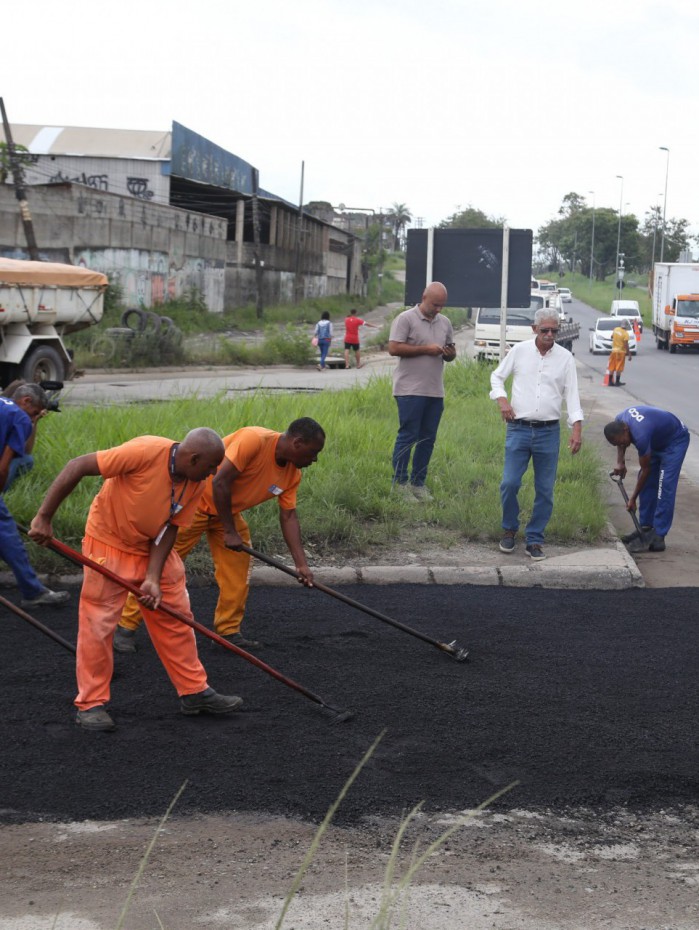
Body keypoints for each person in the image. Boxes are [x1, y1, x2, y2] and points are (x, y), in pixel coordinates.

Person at [28, 428, 244, 732]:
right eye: (210, 467)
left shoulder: (195, 481)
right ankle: (90, 704)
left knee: (176, 614)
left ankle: (194, 692)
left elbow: (171, 527)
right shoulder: (144, 451)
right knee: (99, 623)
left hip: (152, 547)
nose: (213, 474)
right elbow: (78, 465)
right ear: (194, 458)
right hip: (110, 541)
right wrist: (44, 517)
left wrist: (153, 578)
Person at [114, 418, 326, 653]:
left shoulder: (292, 476)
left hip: (227, 514)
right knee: (161, 565)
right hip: (192, 506)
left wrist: (301, 565)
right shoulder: (254, 440)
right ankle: (125, 626)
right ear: (297, 443)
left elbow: (288, 517)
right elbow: (220, 481)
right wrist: (230, 531)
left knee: (237, 570)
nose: (315, 459)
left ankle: (228, 631)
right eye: (314, 452)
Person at [490, 308, 583, 561]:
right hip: (518, 429)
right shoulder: (519, 351)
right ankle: (509, 529)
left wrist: (576, 428)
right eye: (545, 330)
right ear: (534, 329)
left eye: (554, 330)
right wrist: (502, 401)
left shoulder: (565, 358)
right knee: (509, 483)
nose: (550, 335)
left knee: (544, 490)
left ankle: (535, 538)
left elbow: (572, 396)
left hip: (548, 433)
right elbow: (496, 377)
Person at [0, 383, 70, 608]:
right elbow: (3, 468)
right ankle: (32, 592)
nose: (32, 419)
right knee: (8, 533)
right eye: (33, 414)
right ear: (26, 401)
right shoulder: (18, 417)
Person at [388, 281, 456, 501]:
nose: (439, 309)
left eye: (442, 305)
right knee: (408, 436)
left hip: (435, 391)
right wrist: (426, 349)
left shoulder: (444, 322)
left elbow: (451, 351)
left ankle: (419, 483)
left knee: (428, 439)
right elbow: (394, 348)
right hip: (409, 390)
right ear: (424, 297)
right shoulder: (405, 318)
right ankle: (399, 484)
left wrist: (448, 353)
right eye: (435, 304)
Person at [604, 405, 690, 553]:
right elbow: (621, 443)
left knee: (665, 484)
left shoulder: (641, 435)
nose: (622, 445)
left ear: (626, 430)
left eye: (622, 441)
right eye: (617, 444)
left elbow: (645, 470)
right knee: (647, 482)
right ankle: (645, 527)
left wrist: (633, 498)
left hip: (675, 440)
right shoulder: (620, 420)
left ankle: (659, 534)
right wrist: (620, 461)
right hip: (657, 439)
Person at [605, 323, 632, 387]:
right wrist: (629, 354)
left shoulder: (616, 329)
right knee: (619, 367)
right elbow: (626, 344)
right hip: (621, 352)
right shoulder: (625, 334)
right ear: (627, 326)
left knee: (612, 366)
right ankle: (617, 382)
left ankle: (610, 382)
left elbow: (612, 337)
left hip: (613, 351)